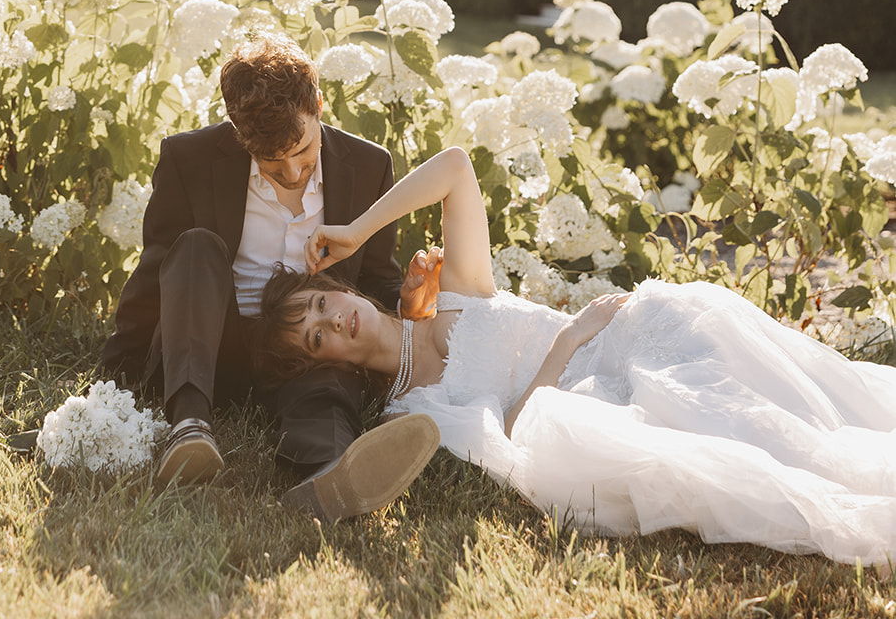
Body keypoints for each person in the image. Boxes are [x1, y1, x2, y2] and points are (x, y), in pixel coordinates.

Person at [255, 145, 896, 567]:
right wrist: (565, 344)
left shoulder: (454, 293)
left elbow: (454, 168)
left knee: (754, 376)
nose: (332, 320)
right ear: (327, 362)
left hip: (629, 338)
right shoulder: (411, 406)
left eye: (319, 303)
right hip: (590, 396)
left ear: (335, 285)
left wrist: (359, 230)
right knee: (736, 439)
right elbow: (508, 438)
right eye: (318, 336)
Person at [94, 34, 441, 521]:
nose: (294, 172)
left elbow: (374, 279)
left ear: (318, 106)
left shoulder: (368, 167)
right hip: (208, 346)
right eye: (271, 164)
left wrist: (406, 299)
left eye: (302, 150)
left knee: (328, 375)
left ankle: (330, 471)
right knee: (195, 244)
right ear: (239, 136)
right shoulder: (187, 159)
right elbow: (159, 275)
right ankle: (190, 426)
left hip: (306, 345)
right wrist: (112, 381)